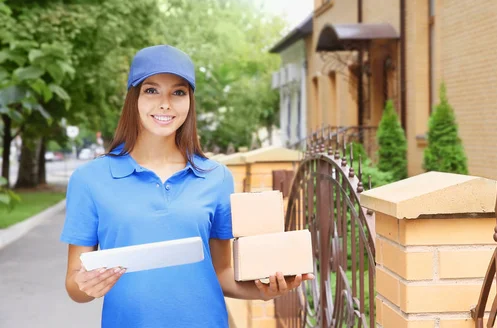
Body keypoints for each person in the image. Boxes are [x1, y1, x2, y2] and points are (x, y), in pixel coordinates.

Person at [60, 45, 314, 327]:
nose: (165, 103)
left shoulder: (215, 177)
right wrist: (86, 286)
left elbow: (220, 272)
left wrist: (265, 291)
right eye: (151, 90)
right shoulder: (90, 179)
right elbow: (74, 283)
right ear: (134, 98)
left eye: (178, 92)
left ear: (190, 101)